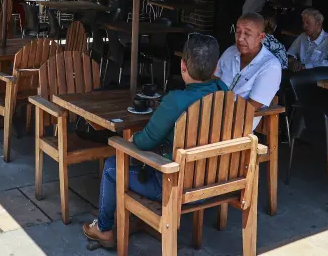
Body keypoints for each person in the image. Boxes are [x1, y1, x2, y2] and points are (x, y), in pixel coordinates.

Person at [83, 34, 225, 247]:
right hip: (215, 183)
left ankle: (103, 229)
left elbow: (144, 143)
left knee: (113, 167)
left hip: (174, 185)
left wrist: (130, 139)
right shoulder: (226, 93)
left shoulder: (175, 101)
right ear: (216, 68)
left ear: (182, 66)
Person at [215, 12, 282, 129]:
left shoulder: (270, 66)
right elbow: (213, 80)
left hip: (237, 125)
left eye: (247, 33)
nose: (240, 38)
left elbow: (253, 106)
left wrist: (220, 112)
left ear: (261, 37)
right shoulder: (230, 52)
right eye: (238, 31)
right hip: (213, 113)